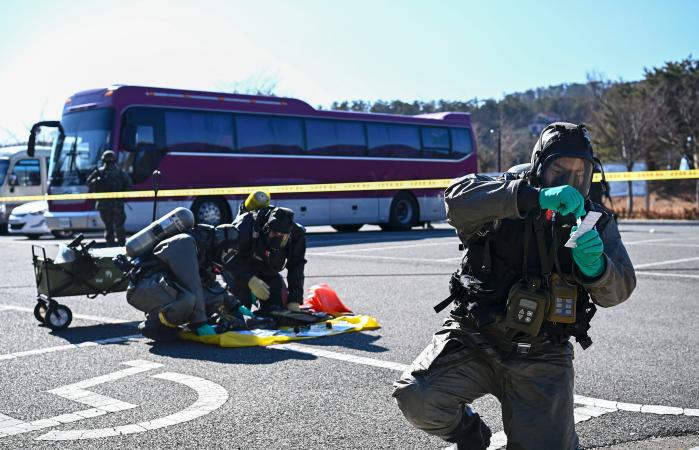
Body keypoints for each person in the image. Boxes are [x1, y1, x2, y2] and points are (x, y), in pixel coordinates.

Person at [392, 122, 636, 450]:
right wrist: (533, 198)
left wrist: (598, 269)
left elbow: (620, 290)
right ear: (538, 168)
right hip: (474, 338)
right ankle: (471, 436)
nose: (570, 182)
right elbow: (455, 200)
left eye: (581, 173)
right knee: (417, 397)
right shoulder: (506, 193)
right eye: (558, 170)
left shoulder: (594, 220)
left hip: (544, 354)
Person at [126, 221, 248, 340]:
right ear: (221, 244)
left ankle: (177, 319)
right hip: (141, 288)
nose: (227, 257)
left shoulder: (206, 248)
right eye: (228, 252)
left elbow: (210, 284)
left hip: (160, 284)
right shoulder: (185, 243)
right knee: (187, 299)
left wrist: (234, 305)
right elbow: (193, 284)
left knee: (215, 297)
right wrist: (200, 323)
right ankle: (154, 325)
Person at [225, 205, 307, 315]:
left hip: (268, 269)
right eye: (274, 234)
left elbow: (296, 266)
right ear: (266, 229)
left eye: (282, 236)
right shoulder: (245, 227)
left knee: (275, 310)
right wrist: (249, 280)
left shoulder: (296, 235)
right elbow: (228, 261)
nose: (278, 238)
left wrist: (294, 300)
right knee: (239, 312)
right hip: (241, 268)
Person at [86, 150, 132, 246]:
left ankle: (111, 246)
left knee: (109, 227)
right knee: (118, 227)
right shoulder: (119, 172)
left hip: (105, 204)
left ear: (103, 160)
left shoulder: (100, 172)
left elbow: (89, 183)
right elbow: (129, 186)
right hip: (115, 204)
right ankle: (122, 246)